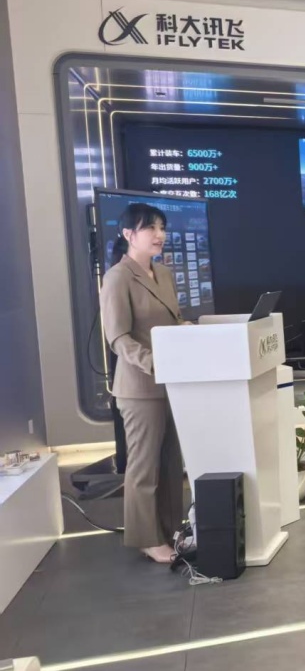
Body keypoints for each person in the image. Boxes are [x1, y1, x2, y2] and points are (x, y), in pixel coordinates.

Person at [100, 203, 186, 564]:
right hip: (140, 387)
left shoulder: (163, 273)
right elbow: (119, 338)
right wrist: (155, 362)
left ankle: (171, 530)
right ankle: (148, 539)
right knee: (144, 466)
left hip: (172, 382)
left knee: (171, 463)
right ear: (128, 234)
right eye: (150, 228)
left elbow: (170, 322)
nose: (159, 234)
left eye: (161, 227)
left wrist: (187, 332)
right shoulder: (118, 277)